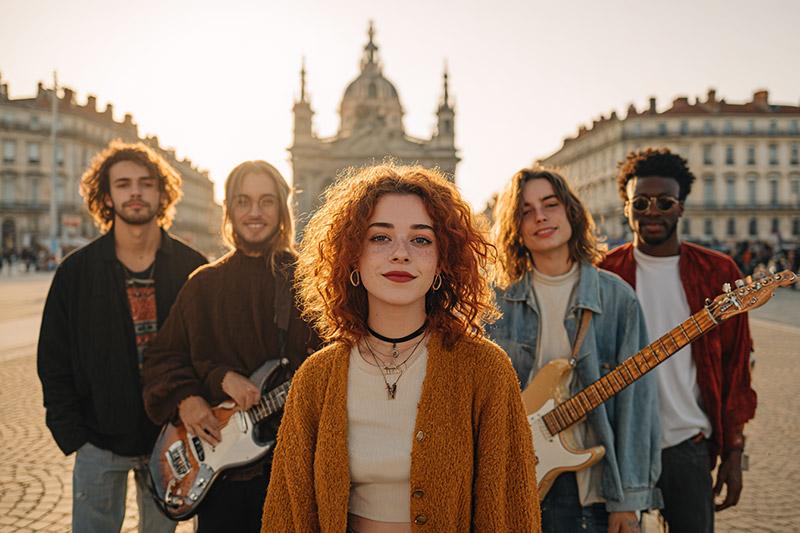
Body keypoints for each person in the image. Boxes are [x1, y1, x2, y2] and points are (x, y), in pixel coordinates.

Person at [261, 164, 541, 532]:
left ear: (442, 262)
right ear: (352, 258)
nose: (400, 254)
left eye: (421, 239)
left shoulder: (486, 370)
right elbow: (286, 515)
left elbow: (511, 510)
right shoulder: (315, 378)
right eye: (380, 237)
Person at [37, 141, 207, 533]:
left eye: (146, 184)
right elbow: (53, 358)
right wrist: (74, 436)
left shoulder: (193, 269)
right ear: (107, 194)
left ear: (162, 193)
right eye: (124, 183)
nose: (135, 192)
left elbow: (208, 350)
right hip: (99, 441)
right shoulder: (75, 273)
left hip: (172, 439)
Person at [142, 160, 319, 532]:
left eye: (267, 201)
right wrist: (187, 398)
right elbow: (162, 358)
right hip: (222, 476)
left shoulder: (311, 283)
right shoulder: (203, 284)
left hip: (291, 475)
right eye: (243, 201)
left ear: (283, 209)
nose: (254, 212)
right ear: (229, 209)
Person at [487, 167, 661, 533]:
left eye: (550, 204)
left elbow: (637, 407)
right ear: (514, 227)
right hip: (510, 485)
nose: (540, 217)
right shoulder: (493, 301)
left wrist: (627, 501)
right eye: (525, 210)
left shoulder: (616, 298)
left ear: (570, 211)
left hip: (589, 489)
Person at [599, 148, 757, 533]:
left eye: (665, 202)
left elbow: (736, 369)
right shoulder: (603, 274)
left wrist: (734, 452)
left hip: (688, 443)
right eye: (641, 202)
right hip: (617, 448)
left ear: (681, 207)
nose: (652, 210)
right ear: (626, 207)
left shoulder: (719, 273)